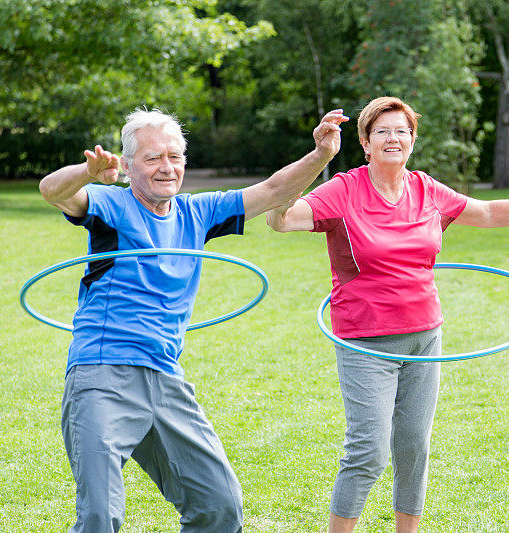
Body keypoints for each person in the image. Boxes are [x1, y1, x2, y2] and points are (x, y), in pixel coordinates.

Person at [266, 96, 509, 533]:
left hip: (425, 336)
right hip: (365, 342)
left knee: (413, 447)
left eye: (402, 131)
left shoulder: (426, 189)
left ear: (412, 140)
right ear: (364, 142)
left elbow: (488, 211)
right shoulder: (344, 190)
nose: (393, 138)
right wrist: (320, 156)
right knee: (368, 452)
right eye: (382, 131)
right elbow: (280, 219)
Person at [39, 107, 348, 533]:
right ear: (127, 166)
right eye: (152, 158)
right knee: (100, 516)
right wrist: (86, 172)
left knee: (219, 506)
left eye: (175, 157)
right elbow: (53, 191)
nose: (166, 167)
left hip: (165, 378)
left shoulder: (197, 213)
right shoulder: (111, 204)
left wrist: (321, 154)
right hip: (102, 373)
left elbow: (275, 189)